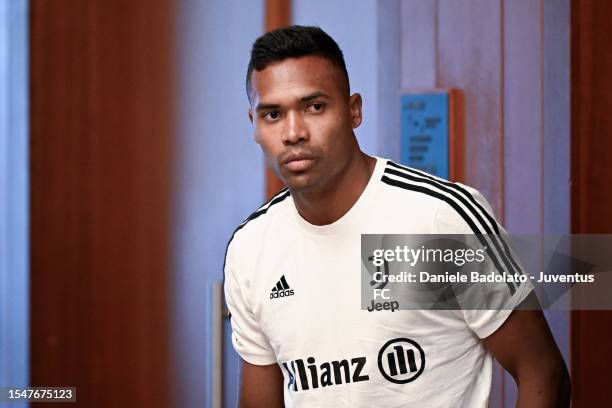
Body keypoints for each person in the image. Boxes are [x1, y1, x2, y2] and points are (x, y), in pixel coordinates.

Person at [224, 25, 569, 407]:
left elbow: (542, 372)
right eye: (272, 114)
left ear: (354, 110)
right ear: (253, 126)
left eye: (314, 107)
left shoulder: (436, 221)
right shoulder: (251, 248)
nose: (294, 132)